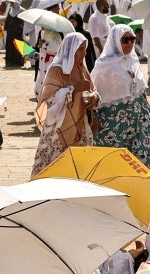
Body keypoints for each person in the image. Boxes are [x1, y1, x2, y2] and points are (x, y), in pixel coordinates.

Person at [91, 24, 150, 168]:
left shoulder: (133, 61)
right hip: (113, 126)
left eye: (132, 39)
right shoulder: (103, 66)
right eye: (125, 40)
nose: (130, 43)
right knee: (113, 164)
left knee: (144, 161)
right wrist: (93, 116)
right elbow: (94, 94)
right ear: (115, 41)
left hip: (139, 124)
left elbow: (140, 90)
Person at [31, 33, 95, 175]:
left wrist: (93, 97)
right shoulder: (56, 70)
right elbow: (48, 99)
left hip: (79, 123)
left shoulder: (82, 69)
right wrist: (73, 89)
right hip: (58, 127)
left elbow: (93, 89)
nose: (84, 53)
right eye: (80, 49)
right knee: (54, 166)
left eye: (85, 49)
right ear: (71, 50)